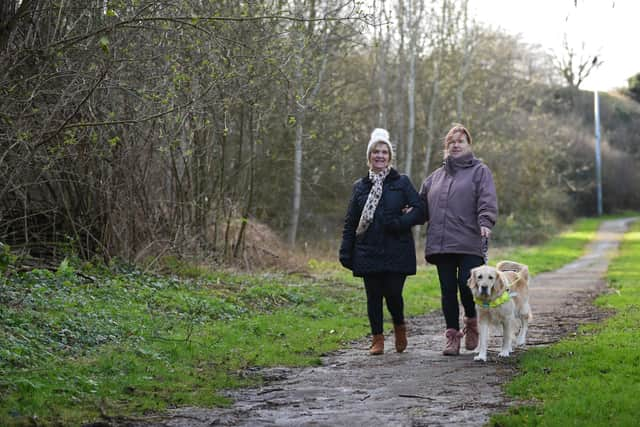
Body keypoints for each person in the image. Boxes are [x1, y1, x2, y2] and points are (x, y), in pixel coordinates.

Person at [339, 128, 425, 355]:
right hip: (367, 249)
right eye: (375, 152)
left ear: (390, 157)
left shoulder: (402, 182)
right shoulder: (360, 187)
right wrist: (345, 251)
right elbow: (351, 222)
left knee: (393, 293)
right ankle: (377, 339)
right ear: (369, 156)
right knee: (373, 296)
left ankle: (399, 326)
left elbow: (420, 211)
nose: (380, 156)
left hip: (397, 249)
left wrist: (399, 222)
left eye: (384, 152)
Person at [419, 124, 498, 356]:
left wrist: (485, 221)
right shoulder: (435, 177)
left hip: (469, 240)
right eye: (451, 141)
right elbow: (421, 207)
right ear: (446, 147)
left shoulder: (480, 171)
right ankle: (452, 336)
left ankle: (472, 324)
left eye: (460, 141)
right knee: (447, 290)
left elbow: (487, 197)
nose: (455, 144)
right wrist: (403, 213)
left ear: (468, 145)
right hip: (441, 242)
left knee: (467, 285)